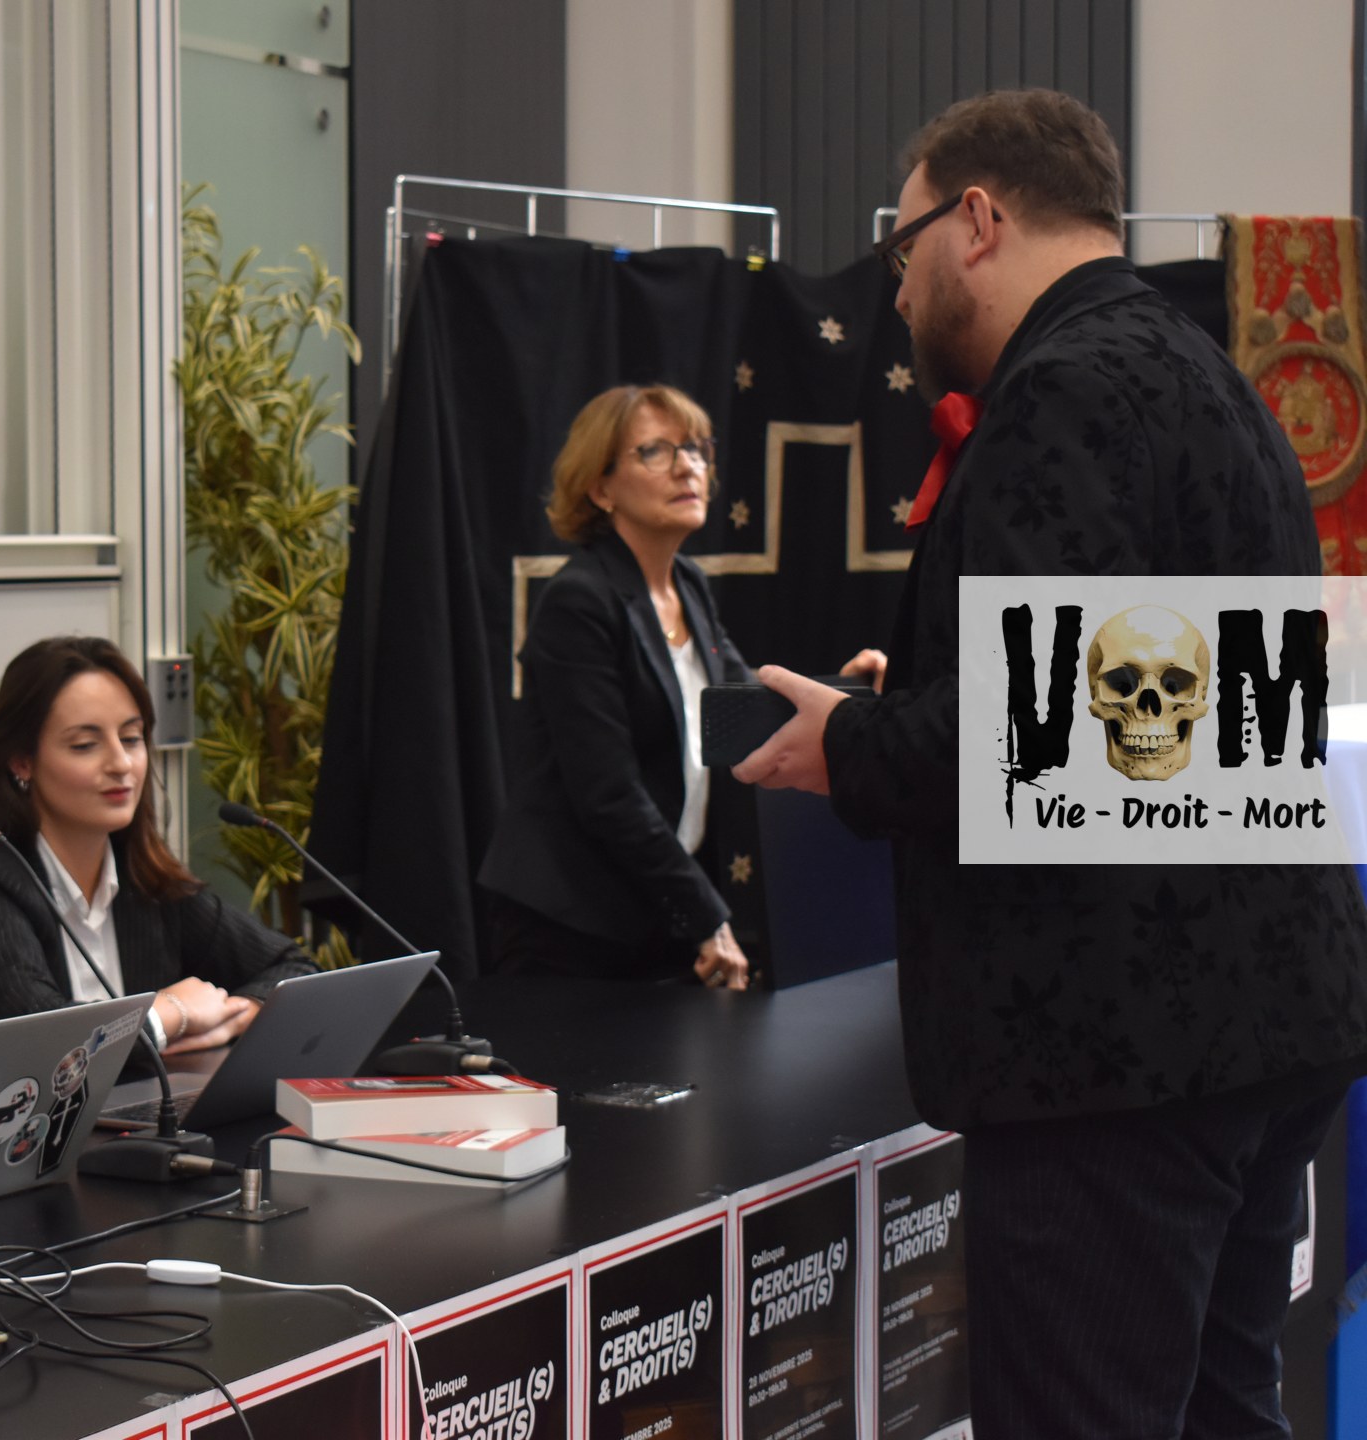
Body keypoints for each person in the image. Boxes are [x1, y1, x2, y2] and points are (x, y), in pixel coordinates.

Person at [734, 90, 1367, 1437]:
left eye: (902, 246)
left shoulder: (1060, 391)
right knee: (1224, 1409)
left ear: (976, 220)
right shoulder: (1217, 381)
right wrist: (927, 701)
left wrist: (849, 742)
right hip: (1268, 1022)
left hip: (1121, 1061)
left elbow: (1044, 742)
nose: (897, 287)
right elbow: (1197, 722)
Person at [0, 636, 314, 1050]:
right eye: (85, 745)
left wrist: (236, 1016)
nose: (121, 763)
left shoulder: (145, 880)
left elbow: (296, 971)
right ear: (21, 762)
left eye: (131, 738)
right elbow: (43, 1043)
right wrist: (171, 1014)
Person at [478, 384, 752, 989]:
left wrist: (847, 691)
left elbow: (747, 703)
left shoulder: (688, 584)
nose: (687, 466)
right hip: (569, 927)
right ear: (600, 489)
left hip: (653, 913)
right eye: (655, 451)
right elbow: (609, 794)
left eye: (696, 448)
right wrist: (707, 915)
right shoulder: (579, 601)